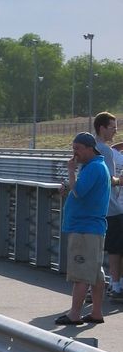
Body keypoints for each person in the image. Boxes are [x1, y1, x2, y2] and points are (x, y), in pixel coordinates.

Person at [55, 132, 111, 326]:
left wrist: (71, 171)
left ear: (90, 148)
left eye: (78, 148)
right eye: (73, 148)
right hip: (92, 227)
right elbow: (81, 190)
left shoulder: (93, 168)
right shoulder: (94, 166)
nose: (74, 153)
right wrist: (68, 185)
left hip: (85, 228)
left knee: (81, 272)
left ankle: (74, 314)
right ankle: (96, 312)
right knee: (95, 272)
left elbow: (79, 192)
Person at [94, 111, 123, 300]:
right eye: (113, 127)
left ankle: (94, 287)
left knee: (100, 248)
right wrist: (120, 181)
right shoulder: (103, 150)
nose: (116, 130)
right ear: (102, 128)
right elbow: (108, 179)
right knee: (116, 249)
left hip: (97, 207)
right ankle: (116, 287)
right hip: (111, 207)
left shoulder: (94, 147)